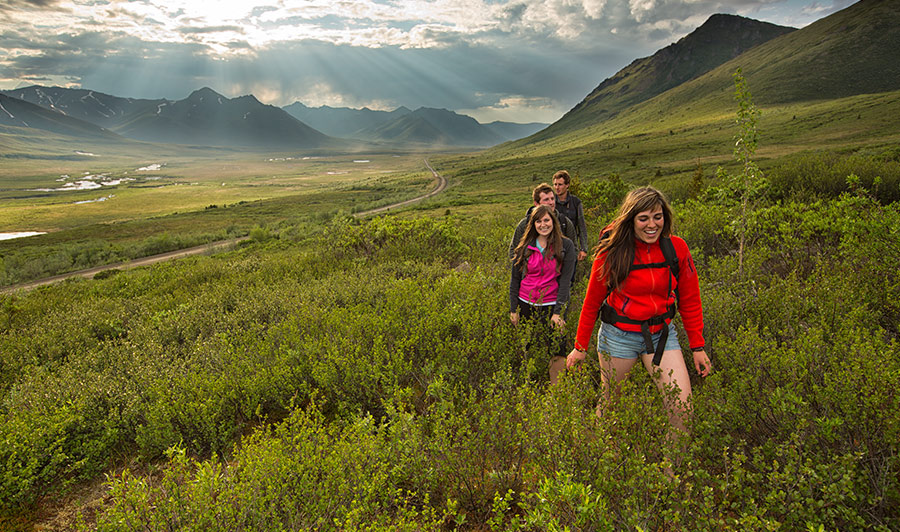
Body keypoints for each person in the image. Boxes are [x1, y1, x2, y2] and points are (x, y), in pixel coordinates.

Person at [566, 186, 711, 436]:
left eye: (658, 216)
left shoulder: (677, 249)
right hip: (618, 337)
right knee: (611, 403)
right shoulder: (612, 252)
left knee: (683, 409)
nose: (651, 224)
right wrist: (580, 347)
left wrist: (697, 347)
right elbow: (591, 303)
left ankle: (670, 472)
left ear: (665, 217)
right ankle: (598, 460)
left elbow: (690, 299)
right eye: (643, 218)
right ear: (631, 219)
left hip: (662, 335)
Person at [510, 204, 577, 384]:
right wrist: (513, 309)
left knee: (557, 348)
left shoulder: (566, 246)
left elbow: (565, 282)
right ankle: (528, 387)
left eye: (546, 220)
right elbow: (515, 279)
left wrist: (558, 312)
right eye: (538, 221)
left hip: (551, 303)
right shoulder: (524, 247)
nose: (543, 225)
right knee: (527, 346)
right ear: (533, 224)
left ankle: (556, 393)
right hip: (526, 302)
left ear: (553, 221)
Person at [509, 183, 577, 260]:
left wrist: (566, 268)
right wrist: (525, 267)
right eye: (546, 200)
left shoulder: (564, 222)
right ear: (536, 203)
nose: (551, 203)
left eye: (552, 198)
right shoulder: (525, 224)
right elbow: (514, 250)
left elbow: (574, 250)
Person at [552, 170, 589, 262]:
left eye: (560, 184)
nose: (557, 187)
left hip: (571, 248)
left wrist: (583, 249)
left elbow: (581, 226)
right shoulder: (550, 202)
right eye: (555, 184)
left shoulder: (576, 202)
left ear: (567, 185)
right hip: (553, 248)